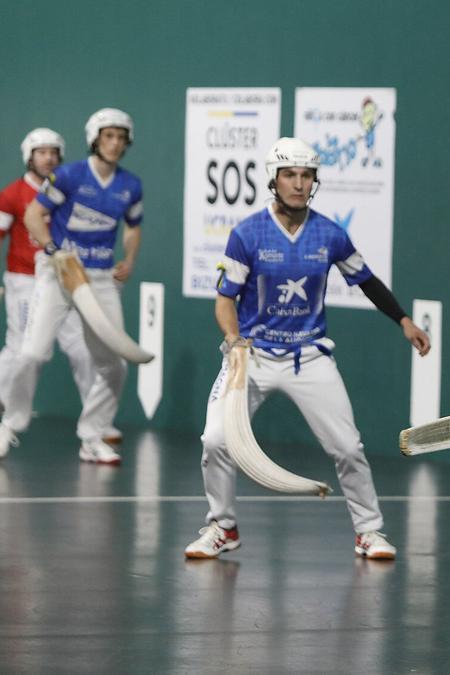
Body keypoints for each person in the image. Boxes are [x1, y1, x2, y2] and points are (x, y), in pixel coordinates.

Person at [183, 137, 430, 561]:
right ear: (273, 180)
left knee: (349, 447)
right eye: (289, 175)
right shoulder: (247, 234)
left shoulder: (330, 234)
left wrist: (403, 320)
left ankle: (369, 531)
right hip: (252, 356)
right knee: (216, 440)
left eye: (305, 175)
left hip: (309, 356)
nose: (298, 184)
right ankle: (222, 526)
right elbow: (225, 300)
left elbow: (365, 280)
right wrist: (234, 339)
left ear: (314, 181)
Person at [0, 108, 143, 464]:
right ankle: (9, 425)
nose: (115, 144)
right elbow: (32, 216)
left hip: (99, 278)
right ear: (95, 139)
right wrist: (53, 250)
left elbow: (133, 227)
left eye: (121, 138)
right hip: (58, 273)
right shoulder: (69, 175)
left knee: (115, 365)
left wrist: (129, 258)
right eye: (108, 137)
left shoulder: (130, 185)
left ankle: (92, 435)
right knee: (31, 354)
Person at [0, 128, 100, 452]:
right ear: (29, 157)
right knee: (20, 349)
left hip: (62, 281)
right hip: (24, 280)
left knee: (82, 347)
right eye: (41, 152)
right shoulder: (12, 194)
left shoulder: (68, 190)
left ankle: (96, 426)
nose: (48, 157)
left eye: (53, 152)